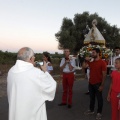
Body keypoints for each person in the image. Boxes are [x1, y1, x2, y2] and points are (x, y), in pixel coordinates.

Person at [7, 47, 56, 120]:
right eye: (33, 57)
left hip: (15, 114)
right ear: (30, 59)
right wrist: (45, 71)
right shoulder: (37, 73)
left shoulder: (11, 71)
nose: (34, 58)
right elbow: (52, 86)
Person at [83, 48, 107, 119]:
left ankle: (99, 112)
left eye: (93, 53)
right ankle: (91, 110)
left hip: (98, 84)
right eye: (92, 53)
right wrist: (85, 60)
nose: (92, 54)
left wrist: (102, 85)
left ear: (97, 53)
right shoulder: (91, 62)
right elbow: (84, 66)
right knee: (92, 98)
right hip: (91, 83)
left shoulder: (102, 63)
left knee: (99, 99)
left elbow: (104, 75)